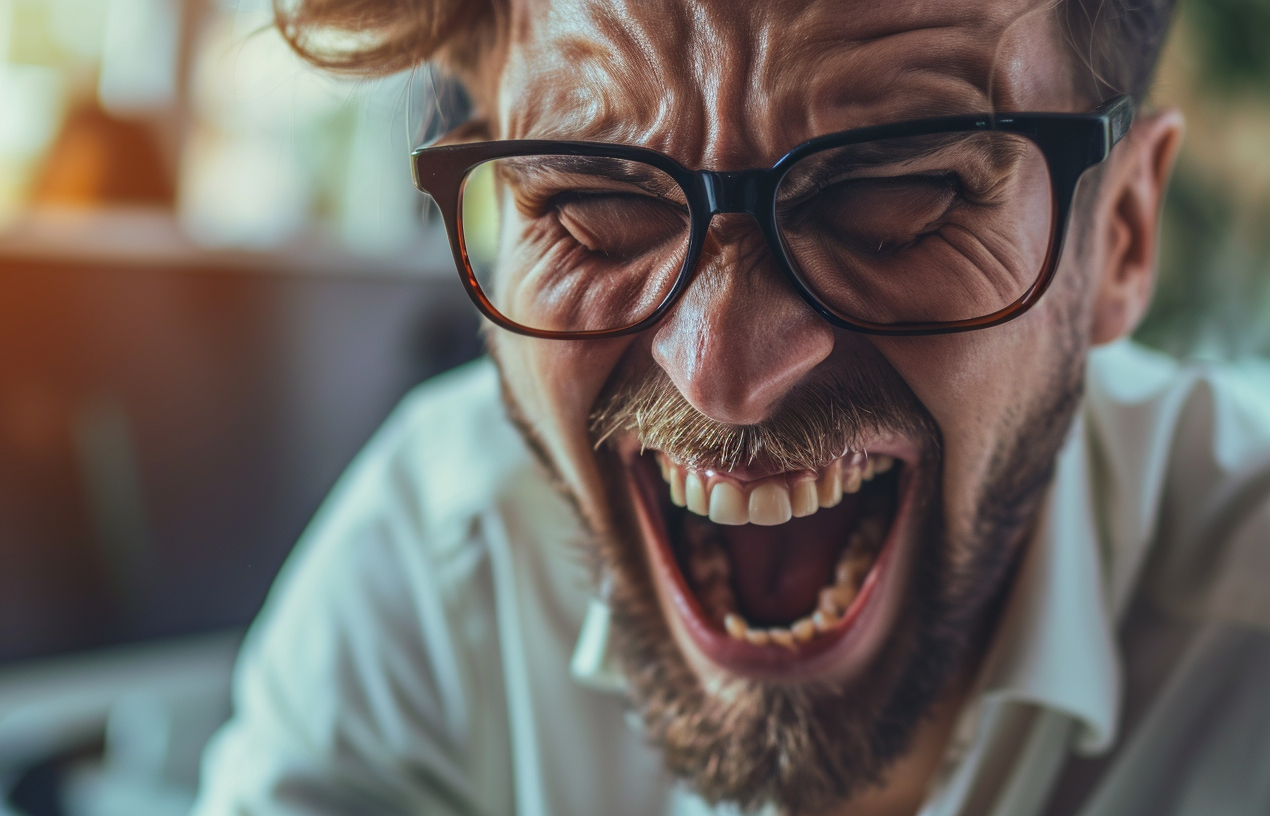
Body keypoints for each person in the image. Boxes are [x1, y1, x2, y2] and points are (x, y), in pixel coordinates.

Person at [192, 1, 1270, 814]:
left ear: (1121, 230)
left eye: (894, 202)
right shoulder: (434, 580)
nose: (722, 372)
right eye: (594, 206)